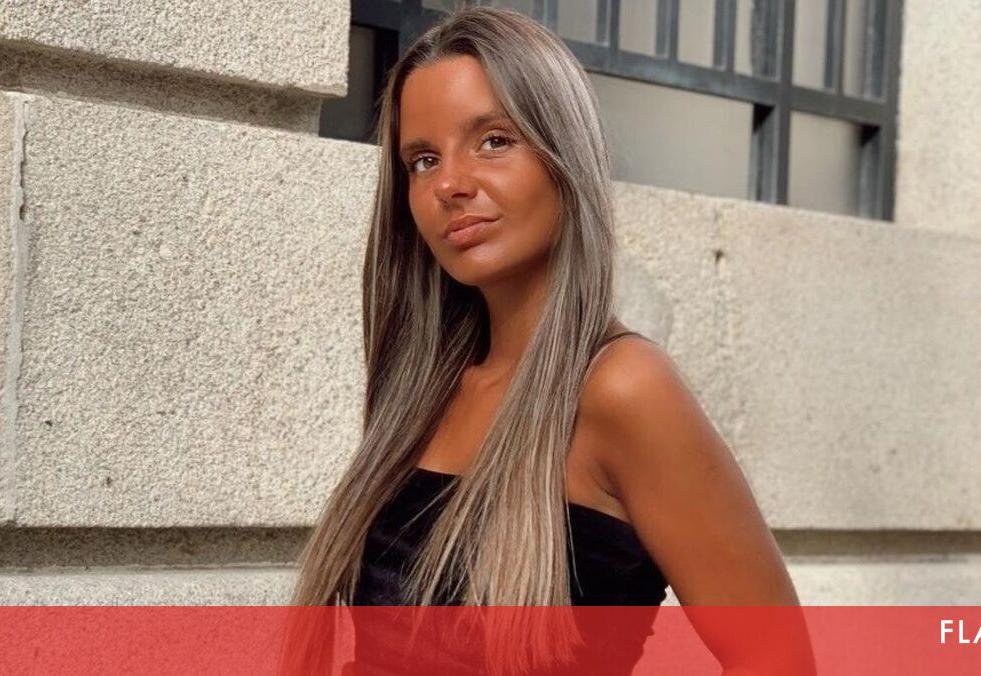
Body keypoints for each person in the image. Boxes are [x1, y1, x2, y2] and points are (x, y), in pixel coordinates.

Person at [286, 5, 811, 675]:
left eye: (493, 140)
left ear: (565, 154)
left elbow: (777, 658)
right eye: (423, 159)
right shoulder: (423, 389)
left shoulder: (623, 389)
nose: (450, 184)